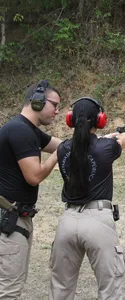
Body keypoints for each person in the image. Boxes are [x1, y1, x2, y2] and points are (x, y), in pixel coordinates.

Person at [49, 97, 125, 300]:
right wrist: (120, 136)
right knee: (109, 289)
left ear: (71, 120)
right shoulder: (107, 148)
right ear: (100, 120)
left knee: (61, 289)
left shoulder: (63, 149)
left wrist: (106, 138)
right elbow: (118, 143)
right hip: (98, 219)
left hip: (67, 221)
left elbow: (87, 146)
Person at [0, 79, 62, 299]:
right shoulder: (21, 131)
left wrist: (99, 140)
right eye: (54, 105)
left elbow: (64, 144)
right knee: (9, 290)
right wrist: (56, 156)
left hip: (15, 218)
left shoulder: (28, 130)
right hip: (8, 220)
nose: (56, 112)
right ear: (37, 102)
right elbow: (34, 176)